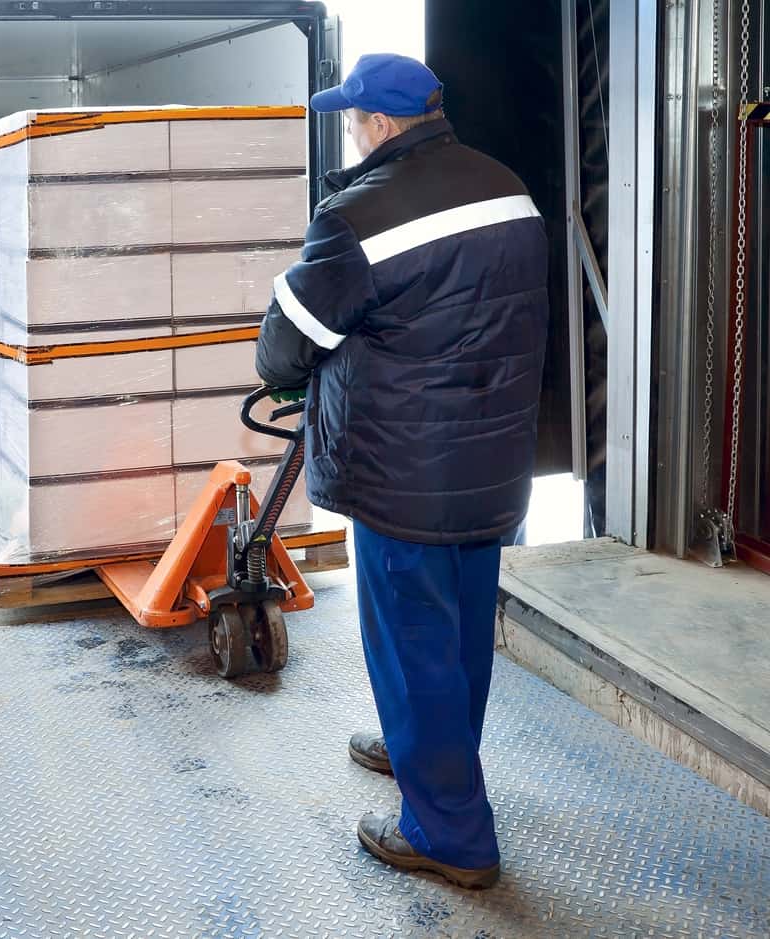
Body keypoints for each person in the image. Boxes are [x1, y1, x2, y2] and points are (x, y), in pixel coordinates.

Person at [255, 53, 549, 890]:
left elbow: (287, 342)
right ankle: (432, 752)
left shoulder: (360, 214)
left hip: (404, 470)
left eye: (353, 116)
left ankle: (449, 832)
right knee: (458, 636)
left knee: (411, 640)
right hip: (491, 461)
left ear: (380, 124)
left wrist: (282, 343)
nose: (349, 128)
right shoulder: (506, 184)